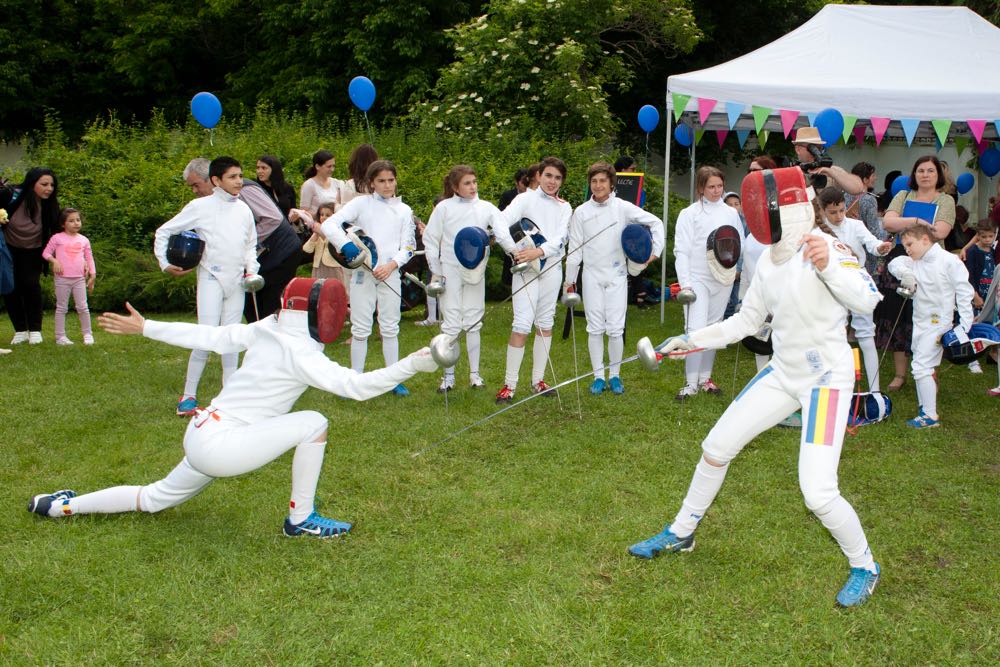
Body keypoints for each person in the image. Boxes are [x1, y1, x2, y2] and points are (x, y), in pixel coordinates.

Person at [629, 167, 883, 608]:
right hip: (783, 373)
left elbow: (867, 299)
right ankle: (681, 533)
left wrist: (830, 268)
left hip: (826, 381)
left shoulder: (828, 247)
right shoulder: (767, 260)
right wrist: (690, 341)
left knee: (818, 491)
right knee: (715, 446)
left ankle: (864, 565)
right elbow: (746, 322)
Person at [27, 279, 440, 537]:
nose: (341, 314)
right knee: (314, 421)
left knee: (153, 498)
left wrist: (147, 326)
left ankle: (60, 506)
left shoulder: (268, 327)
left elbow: (212, 335)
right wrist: (417, 363)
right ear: (315, 312)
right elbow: (358, 387)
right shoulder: (299, 352)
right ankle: (301, 520)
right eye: (335, 307)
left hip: (202, 433)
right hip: (223, 446)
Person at [154, 157, 259, 416]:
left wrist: (252, 271)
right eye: (233, 177)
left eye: (240, 176)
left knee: (232, 339)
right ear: (216, 181)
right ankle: (188, 397)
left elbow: (249, 246)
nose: (239, 182)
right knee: (205, 338)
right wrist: (165, 263)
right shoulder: (199, 206)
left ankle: (230, 399)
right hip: (211, 278)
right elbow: (164, 231)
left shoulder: (244, 210)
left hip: (236, 282)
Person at [564, 162, 663, 395]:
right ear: (590, 184)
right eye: (594, 181)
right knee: (595, 328)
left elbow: (655, 223)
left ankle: (615, 376)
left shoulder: (623, 208)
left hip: (617, 274)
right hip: (591, 275)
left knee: (616, 329)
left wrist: (653, 253)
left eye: (602, 181)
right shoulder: (581, 212)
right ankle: (598, 376)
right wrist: (570, 281)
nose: (598, 185)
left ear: (611, 183)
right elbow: (575, 249)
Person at [322, 160, 416, 396]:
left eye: (391, 180)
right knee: (361, 327)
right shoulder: (361, 204)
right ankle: (356, 379)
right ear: (372, 183)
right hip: (363, 272)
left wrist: (392, 264)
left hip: (390, 273)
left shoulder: (404, 210)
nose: (387, 185)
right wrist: (345, 245)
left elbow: (409, 246)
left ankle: (393, 379)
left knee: (390, 326)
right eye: (381, 181)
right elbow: (330, 225)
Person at [424, 165, 517, 392]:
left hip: (475, 269)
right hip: (450, 270)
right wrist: (436, 271)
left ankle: (475, 375)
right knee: (451, 321)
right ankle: (448, 377)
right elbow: (430, 239)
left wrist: (515, 254)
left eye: (474, 182)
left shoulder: (486, 208)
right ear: (455, 187)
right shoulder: (444, 208)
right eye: (467, 183)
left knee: (474, 321)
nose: (473, 187)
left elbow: (502, 233)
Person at [494, 156, 572, 404]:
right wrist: (514, 251)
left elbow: (561, 239)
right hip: (526, 270)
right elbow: (500, 223)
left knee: (545, 322)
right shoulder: (524, 199)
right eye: (548, 175)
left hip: (550, 268)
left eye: (557, 178)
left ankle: (538, 380)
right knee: (521, 324)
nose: (552, 182)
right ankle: (509, 385)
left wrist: (539, 252)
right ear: (539, 175)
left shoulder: (564, 207)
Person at [878, 156, 956, 391]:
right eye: (920, 170)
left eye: (930, 171)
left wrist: (905, 224)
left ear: (938, 175)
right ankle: (900, 375)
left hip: (931, 263)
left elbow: (941, 231)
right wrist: (917, 220)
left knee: (929, 317)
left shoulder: (946, 200)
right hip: (901, 260)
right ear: (914, 174)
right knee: (898, 318)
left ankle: (930, 373)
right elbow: (888, 223)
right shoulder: (903, 195)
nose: (925, 175)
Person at [888, 224, 973, 428]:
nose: (907, 249)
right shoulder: (915, 261)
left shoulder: (948, 261)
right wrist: (905, 274)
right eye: (905, 245)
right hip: (920, 320)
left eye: (910, 244)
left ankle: (929, 415)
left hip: (939, 323)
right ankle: (924, 405)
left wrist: (964, 327)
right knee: (921, 362)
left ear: (925, 239)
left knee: (920, 366)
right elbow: (895, 262)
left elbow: (964, 292)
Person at [672, 166, 744, 400]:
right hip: (697, 278)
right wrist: (686, 284)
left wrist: (735, 271)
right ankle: (690, 383)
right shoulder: (689, 214)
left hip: (721, 278)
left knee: (714, 327)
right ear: (701, 188)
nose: (715, 191)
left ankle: (705, 379)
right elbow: (681, 250)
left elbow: (738, 243)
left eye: (719, 186)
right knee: (695, 329)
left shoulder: (730, 213)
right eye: (711, 187)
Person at [818, 188, 893, 392]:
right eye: (833, 212)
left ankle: (875, 390)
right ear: (823, 210)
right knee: (834, 335)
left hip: (857, 281)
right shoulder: (818, 230)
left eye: (842, 210)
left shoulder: (855, 225)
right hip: (831, 285)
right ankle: (836, 387)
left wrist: (880, 247)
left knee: (867, 336)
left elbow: (872, 243)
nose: (839, 216)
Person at [1, 168, 61, 345]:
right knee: (11, 287)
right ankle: (20, 330)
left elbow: (56, 231)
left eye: (51, 185)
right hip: (8, 248)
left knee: (31, 284)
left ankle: (35, 330)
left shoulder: (50, 204)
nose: (48, 188)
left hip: (34, 250)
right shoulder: (11, 195)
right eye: (44, 184)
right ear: (31, 183)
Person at [42, 208, 97, 346]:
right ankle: (60, 337)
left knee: (83, 307)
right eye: (71, 221)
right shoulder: (57, 238)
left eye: (78, 220)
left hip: (79, 279)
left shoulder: (84, 240)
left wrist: (93, 274)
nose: (76, 223)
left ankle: (87, 334)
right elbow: (46, 253)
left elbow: (89, 258)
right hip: (62, 279)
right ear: (63, 224)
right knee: (61, 308)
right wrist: (54, 261)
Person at [962, 218, 996, 374]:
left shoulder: (993, 251)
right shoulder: (973, 252)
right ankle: (972, 360)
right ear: (978, 236)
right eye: (984, 237)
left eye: (991, 236)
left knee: (988, 324)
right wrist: (975, 295)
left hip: (990, 294)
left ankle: (989, 352)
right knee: (973, 325)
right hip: (976, 294)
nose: (988, 240)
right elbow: (969, 276)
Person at [792, 127, 864, 194]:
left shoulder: (831, 170)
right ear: (798, 149)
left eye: (819, 148)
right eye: (812, 147)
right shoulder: (790, 172)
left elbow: (858, 189)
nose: (816, 151)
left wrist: (830, 171)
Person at [844, 162, 884, 276]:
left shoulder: (843, 195)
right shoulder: (869, 199)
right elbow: (874, 230)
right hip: (865, 250)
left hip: (846, 245)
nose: (875, 178)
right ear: (865, 179)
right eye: (873, 175)